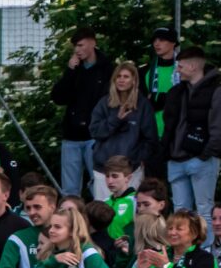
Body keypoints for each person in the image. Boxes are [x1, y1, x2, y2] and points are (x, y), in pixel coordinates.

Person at [50, 28, 113, 199]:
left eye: (80, 45)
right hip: (72, 135)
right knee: (70, 188)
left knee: (98, 182)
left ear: (93, 43)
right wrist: (70, 71)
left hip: (95, 135)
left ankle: (100, 219)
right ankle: (71, 221)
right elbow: (58, 97)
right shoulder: (74, 69)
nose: (77, 50)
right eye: (75, 47)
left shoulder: (108, 68)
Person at [160, 47, 221, 221]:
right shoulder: (177, 92)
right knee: (180, 211)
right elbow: (169, 124)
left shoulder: (216, 91)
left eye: (180, 66)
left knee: (204, 209)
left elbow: (218, 127)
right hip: (175, 158)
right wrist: (167, 151)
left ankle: (207, 248)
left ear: (193, 66)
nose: (177, 70)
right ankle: (183, 247)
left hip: (202, 158)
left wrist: (205, 154)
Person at [89, 61, 158, 199]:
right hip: (104, 170)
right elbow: (95, 131)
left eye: (126, 76)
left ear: (134, 80)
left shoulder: (143, 105)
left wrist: (136, 159)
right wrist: (116, 120)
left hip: (131, 170)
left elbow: (150, 139)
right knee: (102, 213)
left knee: (130, 213)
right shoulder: (104, 103)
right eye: (118, 76)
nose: (121, 79)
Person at [141, 26, 180, 149]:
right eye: (154, 40)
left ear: (173, 43)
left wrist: (167, 99)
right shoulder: (144, 71)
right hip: (151, 134)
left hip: (177, 134)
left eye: (162, 40)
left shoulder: (183, 69)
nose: (157, 43)